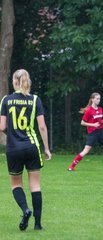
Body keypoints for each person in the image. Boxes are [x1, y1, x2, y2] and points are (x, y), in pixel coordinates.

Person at [0, 69, 51, 231]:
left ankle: (25, 210)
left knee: (16, 185)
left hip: (13, 149)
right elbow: (42, 126)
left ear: (14, 81)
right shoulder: (35, 99)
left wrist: (13, 135)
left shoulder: (6, 100)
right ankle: (37, 224)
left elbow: (2, 127)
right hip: (32, 146)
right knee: (35, 185)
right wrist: (47, 148)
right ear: (27, 81)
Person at [68, 92, 103, 171]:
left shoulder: (100, 109)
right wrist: (93, 125)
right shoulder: (89, 111)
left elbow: (98, 121)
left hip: (101, 132)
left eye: (99, 99)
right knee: (86, 151)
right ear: (92, 100)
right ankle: (72, 166)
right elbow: (82, 123)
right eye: (97, 99)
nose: (99, 100)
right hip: (93, 133)